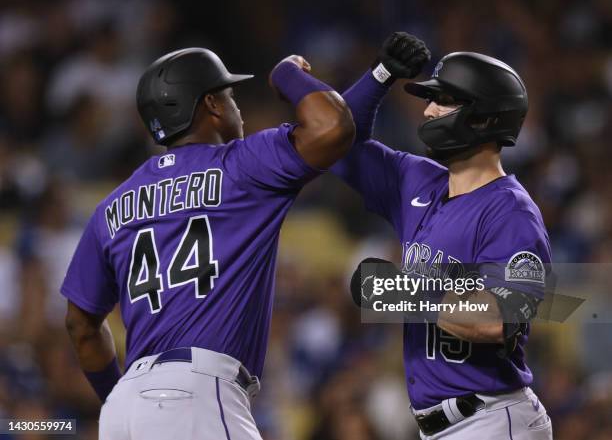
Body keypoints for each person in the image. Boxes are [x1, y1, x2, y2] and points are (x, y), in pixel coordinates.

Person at [61, 47, 354, 440]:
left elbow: (80, 325)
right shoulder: (242, 165)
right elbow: (333, 127)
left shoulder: (112, 206)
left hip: (124, 410)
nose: (237, 107)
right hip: (197, 393)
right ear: (212, 104)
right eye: (229, 96)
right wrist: (287, 74)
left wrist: (117, 395)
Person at [333, 33, 553, 439]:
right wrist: (379, 77)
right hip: (442, 425)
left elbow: (498, 320)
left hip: (490, 419)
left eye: (444, 100)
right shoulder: (418, 181)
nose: (429, 110)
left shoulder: (511, 211)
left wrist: (403, 292)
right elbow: (338, 143)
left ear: (485, 117)